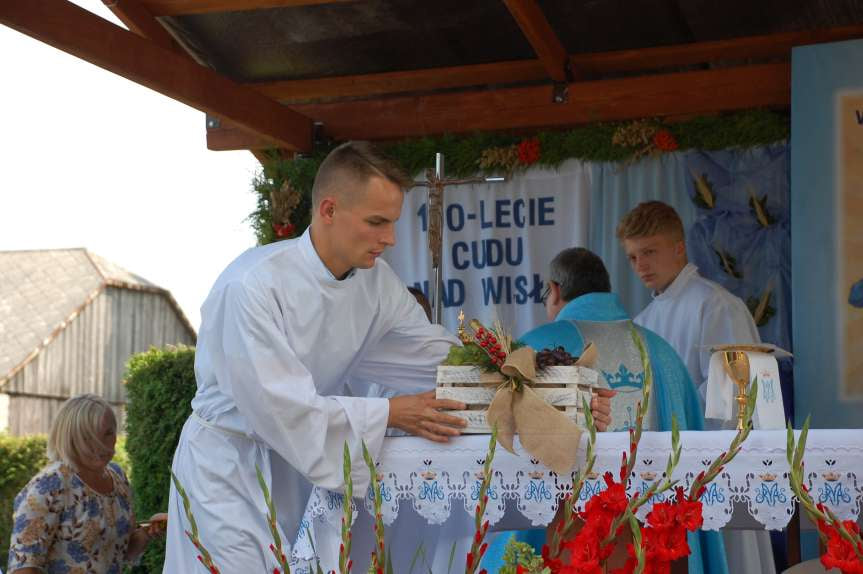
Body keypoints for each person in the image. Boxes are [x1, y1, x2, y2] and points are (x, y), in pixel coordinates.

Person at [480, 247, 712, 573]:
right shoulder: (663, 353)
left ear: (556, 290)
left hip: (567, 541)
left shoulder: (535, 349)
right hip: (653, 543)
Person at [618, 201, 774, 574]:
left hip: (717, 467)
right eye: (633, 257)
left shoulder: (717, 306)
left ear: (679, 248)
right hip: (667, 470)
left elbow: (736, 398)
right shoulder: (642, 321)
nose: (641, 265)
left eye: (650, 252)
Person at [7, 394, 166, 574]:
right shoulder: (50, 484)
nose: (100, 446)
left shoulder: (118, 477)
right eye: (88, 437)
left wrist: (147, 532)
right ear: (69, 437)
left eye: (107, 433)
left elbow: (119, 552)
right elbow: (24, 566)